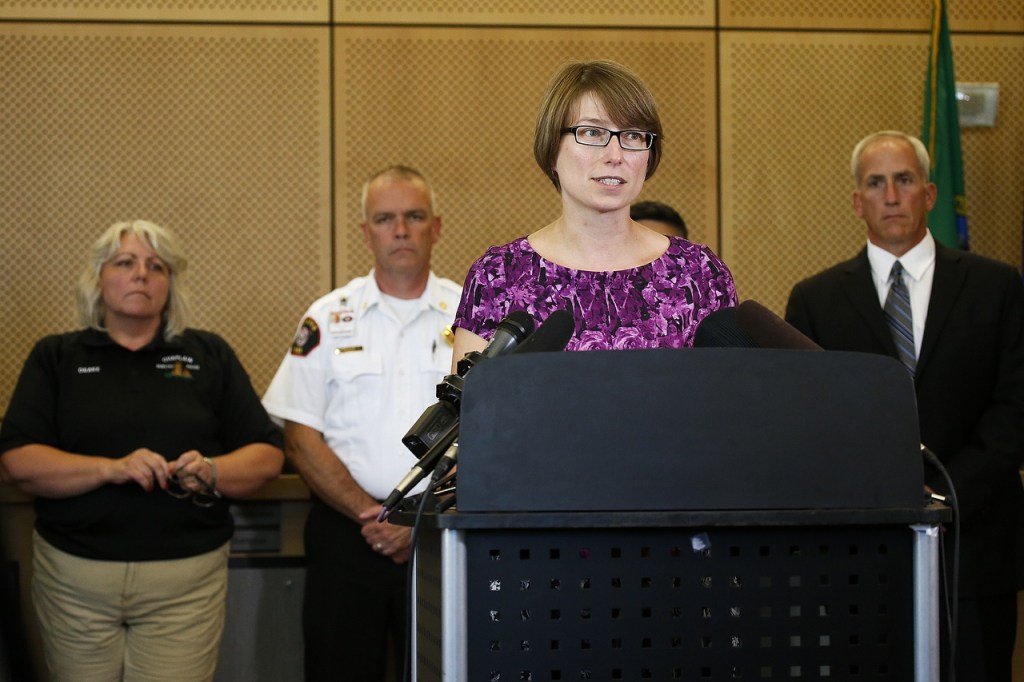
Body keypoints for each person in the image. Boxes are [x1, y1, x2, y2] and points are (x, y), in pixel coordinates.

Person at [785, 130, 1024, 682]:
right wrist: (882, 490)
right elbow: (806, 421)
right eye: (875, 182)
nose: (891, 195)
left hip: (976, 543)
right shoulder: (814, 300)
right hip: (860, 551)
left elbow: (1016, 407)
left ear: (930, 194)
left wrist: (945, 490)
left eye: (904, 179)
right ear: (856, 201)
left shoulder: (997, 286)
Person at [0, 220, 285, 682]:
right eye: (125, 263)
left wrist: (213, 469)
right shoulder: (56, 356)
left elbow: (267, 454)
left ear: (170, 285)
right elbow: (17, 461)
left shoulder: (208, 354)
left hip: (184, 585)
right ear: (98, 277)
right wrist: (112, 469)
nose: (141, 275)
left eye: (157, 266)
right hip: (74, 582)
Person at [262, 165, 461, 681]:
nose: (400, 230)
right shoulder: (329, 317)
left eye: (414, 217)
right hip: (348, 535)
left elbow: (495, 430)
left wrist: (416, 520)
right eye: (385, 218)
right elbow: (301, 434)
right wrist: (369, 515)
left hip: (443, 531)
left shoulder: (470, 315)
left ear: (436, 227)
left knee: (449, 670)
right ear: (365, 232)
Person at [452, 59, 736, 360]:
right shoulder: (499, 275)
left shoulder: (700, 274)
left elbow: (731, 396)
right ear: (551, 149)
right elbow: (473, 404)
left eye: (633, 136)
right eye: (591, 133)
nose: (615, 155)